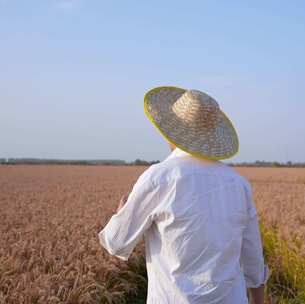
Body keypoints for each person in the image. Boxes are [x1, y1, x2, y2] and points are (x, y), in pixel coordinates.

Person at [98, 87, 269, 304]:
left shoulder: (158, 178)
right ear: (213, 135)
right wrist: (258, 300)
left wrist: (122, 212)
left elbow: (116, 242)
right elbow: (253, 257)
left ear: (172, 131)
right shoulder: (238, 184)